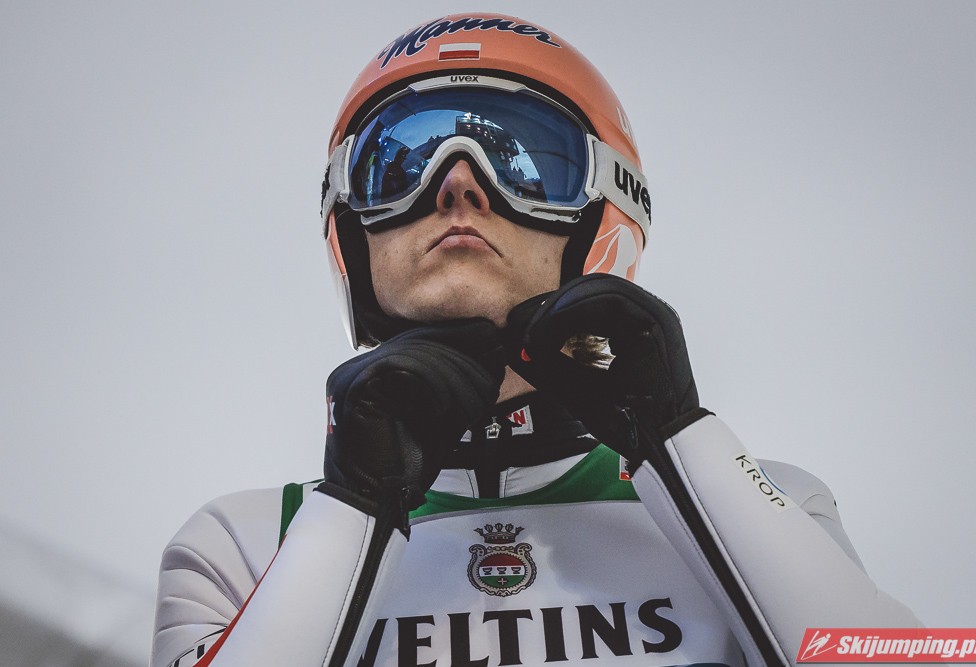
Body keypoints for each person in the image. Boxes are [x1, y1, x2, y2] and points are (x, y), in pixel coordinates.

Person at [150, 13, 921, 667]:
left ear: (602, 216)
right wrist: (353, 506)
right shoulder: (242, 541)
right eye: (400, 161)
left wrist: (681, 439)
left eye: (524, 161)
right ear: (351, 228)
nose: (458, 184)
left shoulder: (777, 500)